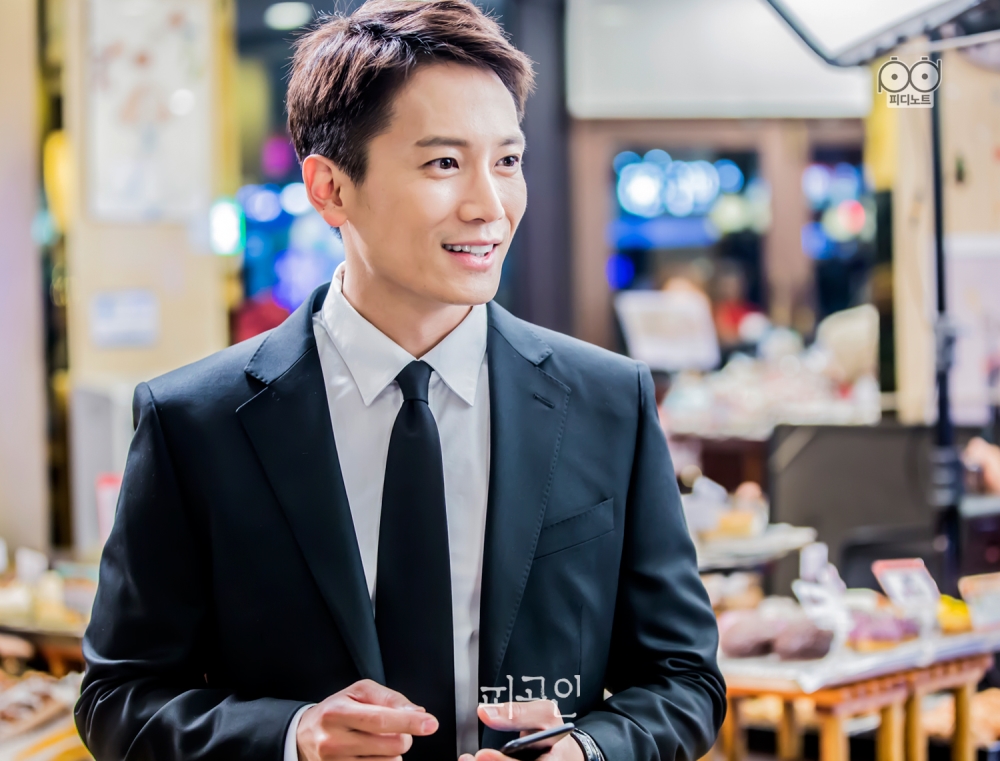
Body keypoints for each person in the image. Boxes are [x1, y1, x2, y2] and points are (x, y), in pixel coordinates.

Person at [74, 1, 726, 759]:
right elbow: (118, 698)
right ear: (330, 188)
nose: (489, 206)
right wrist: (291, 736)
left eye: (507, 161)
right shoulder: (195, 422)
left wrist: (590, 750)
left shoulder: (608, 402)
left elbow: (685, 680)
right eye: (443, 163)